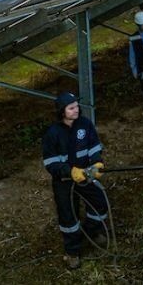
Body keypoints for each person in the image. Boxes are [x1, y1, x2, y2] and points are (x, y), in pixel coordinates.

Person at [41, 92, 108, 270]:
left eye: (77, 106)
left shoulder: (85, 125)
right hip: (64, 181)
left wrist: (96, 163)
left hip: (87, 174)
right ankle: (72, 252)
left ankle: (93, 230)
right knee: (68, 216)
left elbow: (94, 146)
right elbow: (50, 162)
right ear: (62, 112)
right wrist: (69, 171)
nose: (76, 110)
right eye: (71, 108)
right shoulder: (52, 134)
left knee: (99, 201)